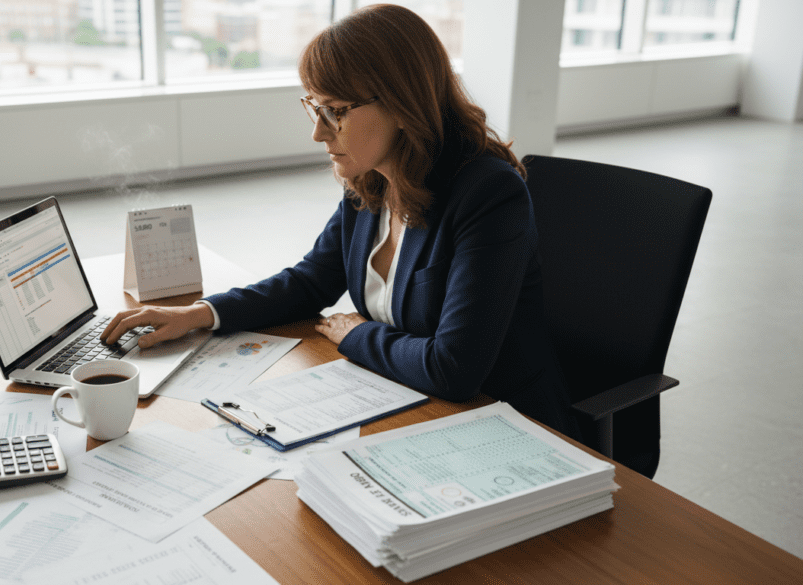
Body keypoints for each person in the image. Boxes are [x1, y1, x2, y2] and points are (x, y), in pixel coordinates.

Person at [102, 4, 581, 439]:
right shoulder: (371, 181)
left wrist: (355, 335)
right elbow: (311, 281)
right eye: (315, 108)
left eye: (334, 112)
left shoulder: (487, 194)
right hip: (407, 405)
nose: (317, 132)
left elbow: (453, 369)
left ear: (400, 103)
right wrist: (199, 314)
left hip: (503, 424)